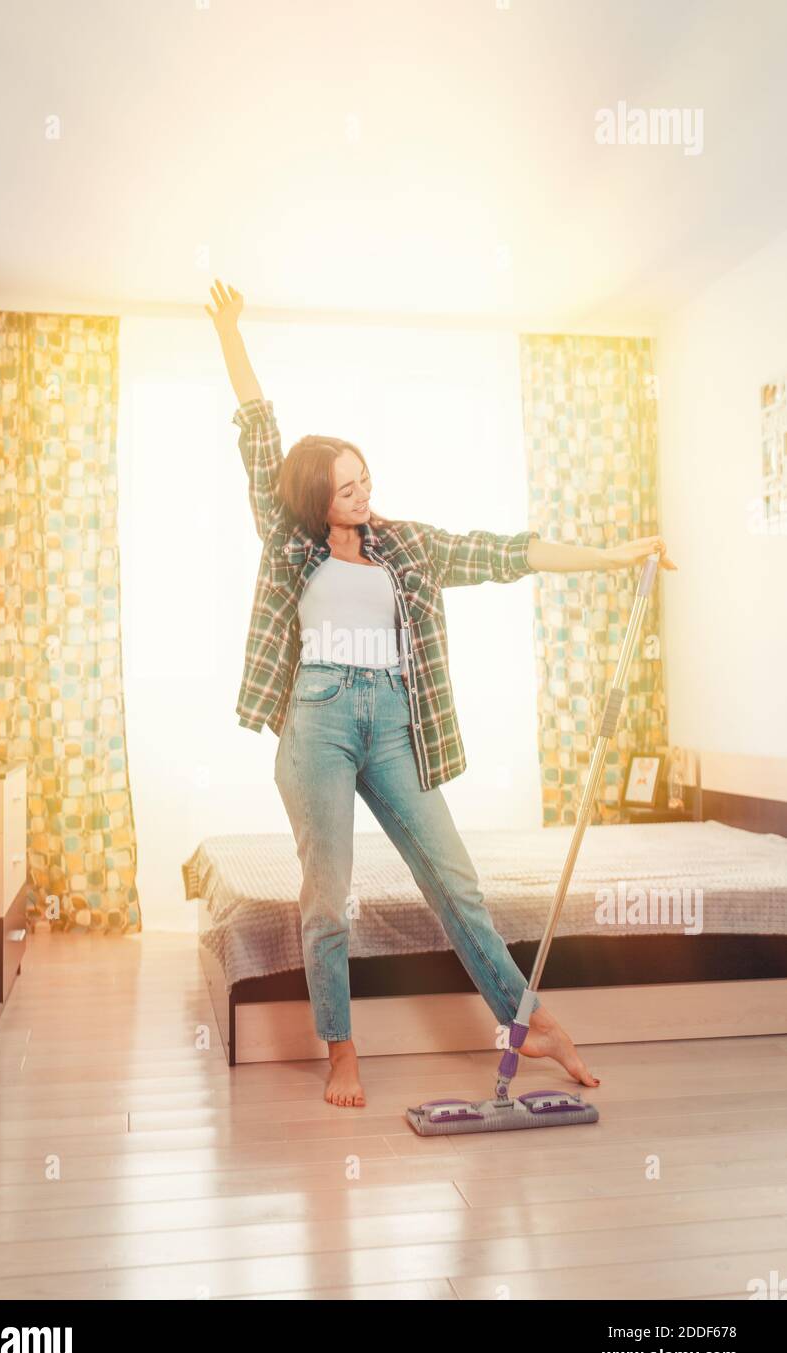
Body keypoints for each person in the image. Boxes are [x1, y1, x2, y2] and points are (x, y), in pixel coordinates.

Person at [206, 279, 677, 1108]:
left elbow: (504, 553)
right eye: (347, 487)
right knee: (328, 897)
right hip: (315, 720)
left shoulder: (406, 547)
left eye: (366, 480)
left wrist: (608, 556)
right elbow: (257, 430)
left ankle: (530, 1024)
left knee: (455, 883)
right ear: (316, 496)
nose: (363, 494)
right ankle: (341, 1052)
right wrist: (231, 334)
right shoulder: (287, 542)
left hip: (394, 719)